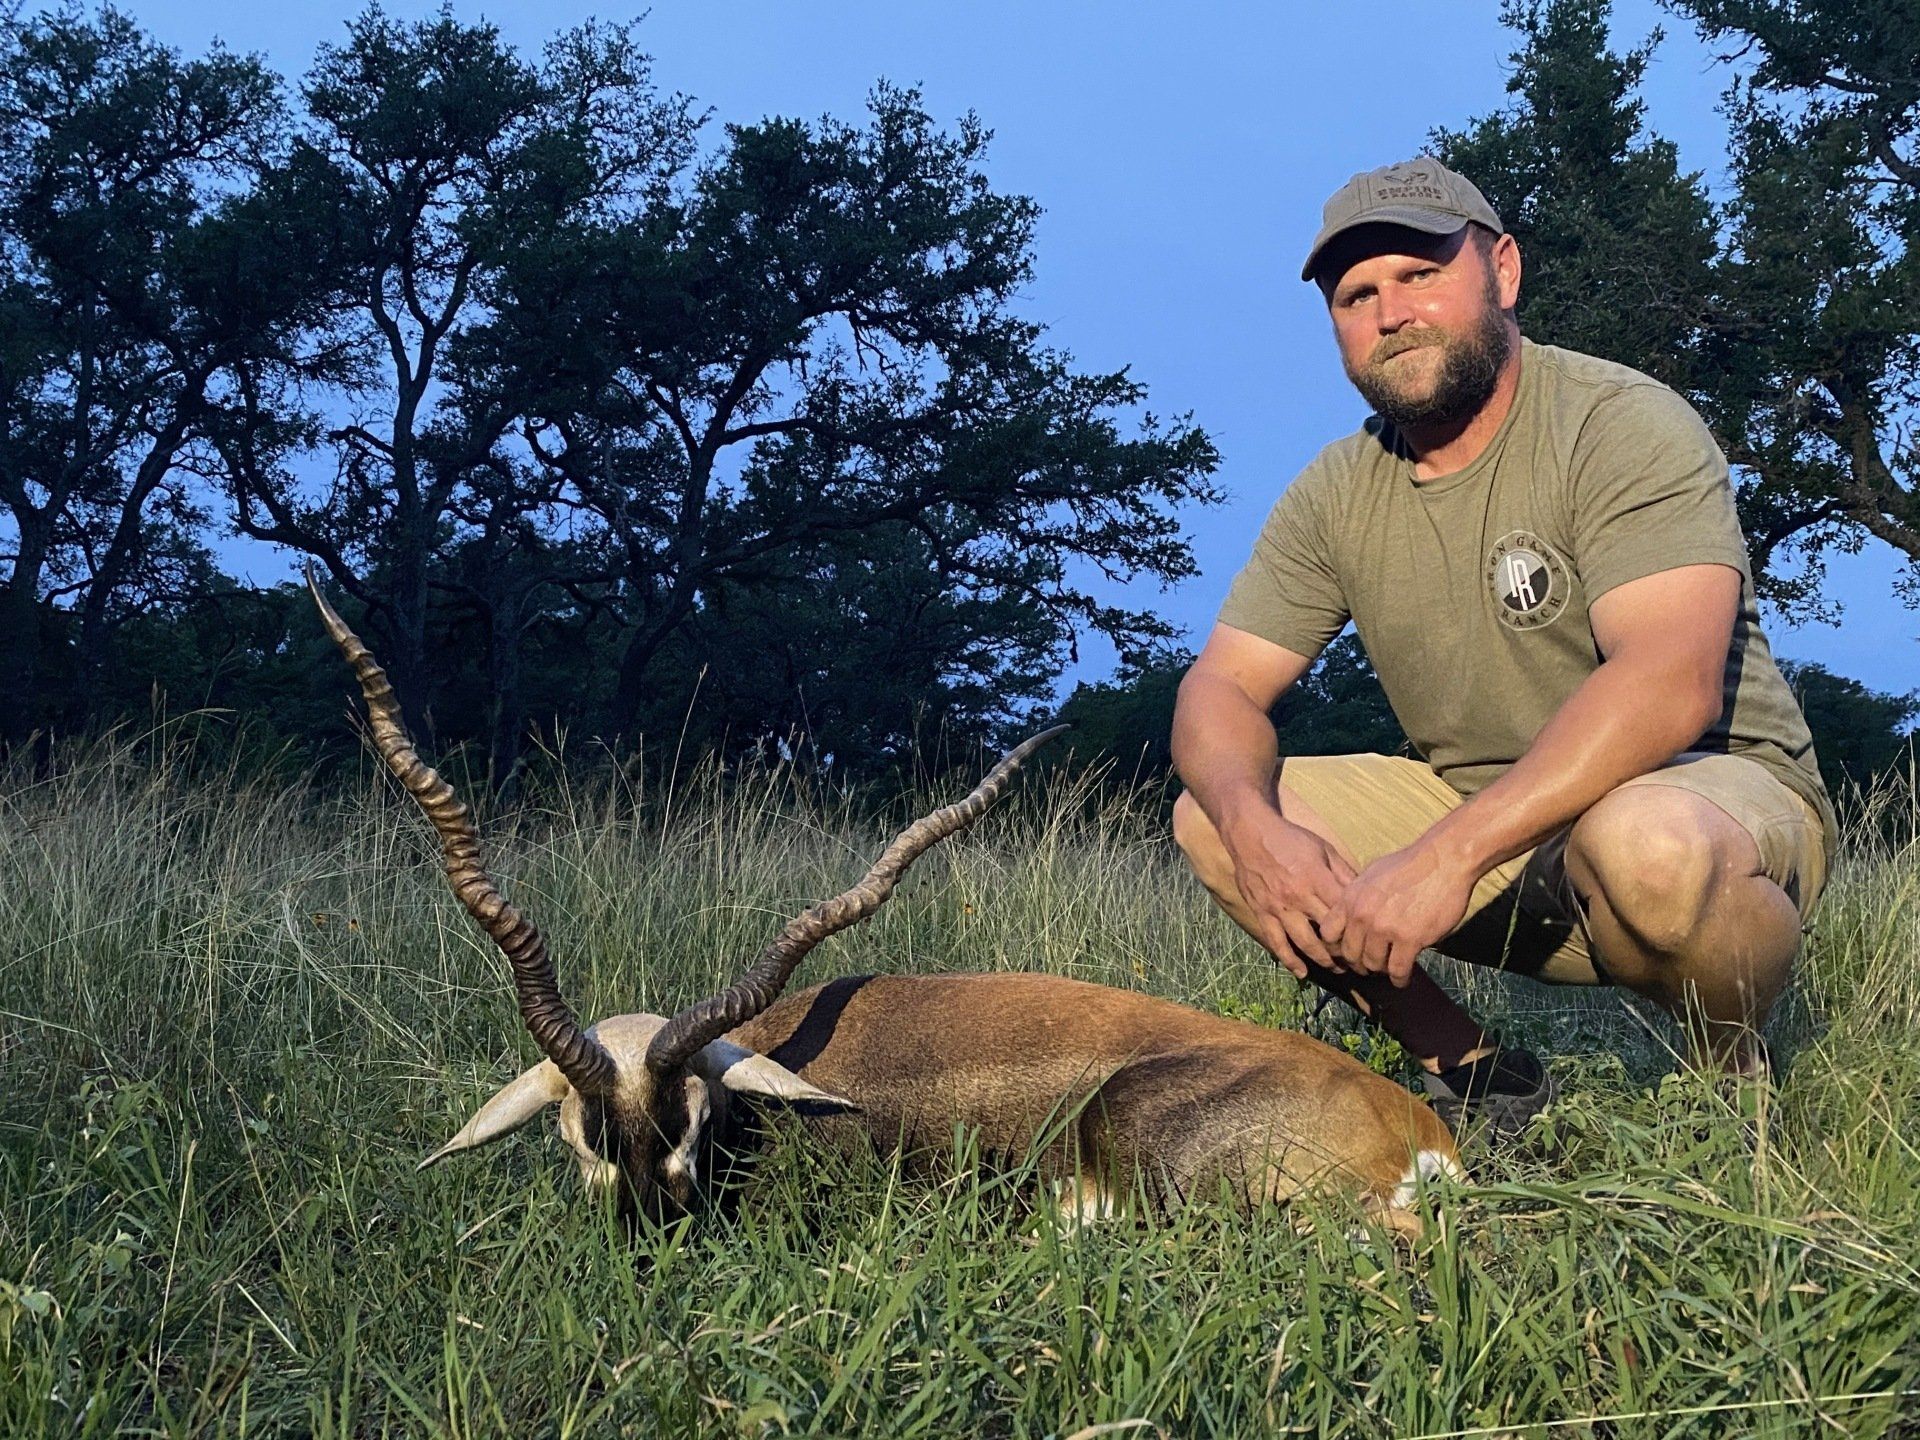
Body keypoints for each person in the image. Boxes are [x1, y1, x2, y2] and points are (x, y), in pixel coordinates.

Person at [1169, 157, 1835, 1132]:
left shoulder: (1618, 421)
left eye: (1422, 273)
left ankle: (1730, 1086)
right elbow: (1220, 687)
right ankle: (1482, 1078)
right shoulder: (1335, 491)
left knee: (1646, 842)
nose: (1391, 310)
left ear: (1504, 272)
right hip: (1494, 835)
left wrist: (1449, 854)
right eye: (1358, 294)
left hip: (1708, 805)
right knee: (1211, 820)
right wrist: (1251, 821)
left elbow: (1670, 679)